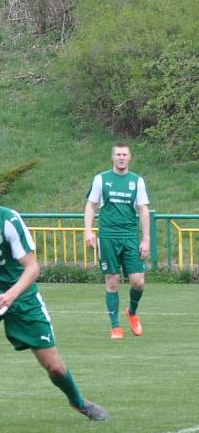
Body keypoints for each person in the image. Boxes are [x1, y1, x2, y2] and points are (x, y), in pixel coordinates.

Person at [0, 171, 109, 433]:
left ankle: (79, 402)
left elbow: (32, 268)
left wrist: (10, 295)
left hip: (22, 296)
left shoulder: (8, 220)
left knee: (54, 367)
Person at [84, 143, 151, 339]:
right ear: (113, 157)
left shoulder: (136, 181)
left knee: (138, 282)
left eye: (124, 154)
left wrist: (145, 239)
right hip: (108, 236)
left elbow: (143, 210)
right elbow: (91, 206)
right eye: (118, 154)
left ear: (130, 157)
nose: (121, 158)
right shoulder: (101, 179)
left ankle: (131, 311)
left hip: (130, 236)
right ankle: (115, 327)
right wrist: (88, 232)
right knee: (112, 281)